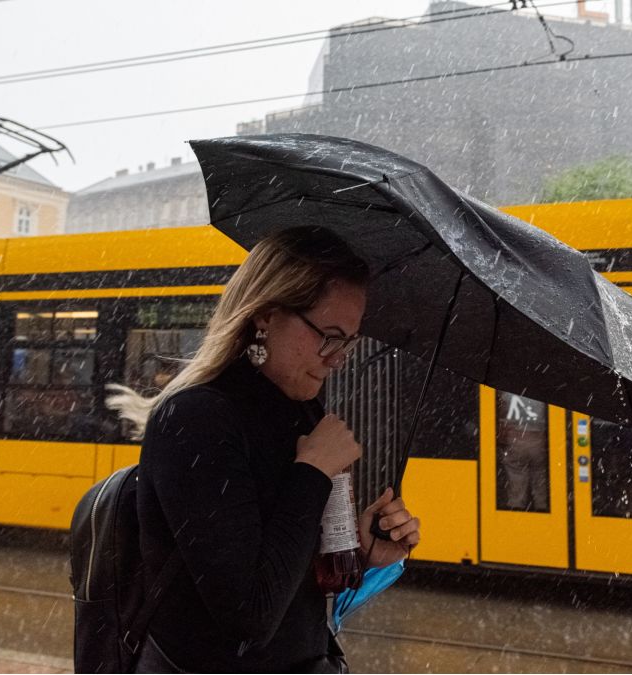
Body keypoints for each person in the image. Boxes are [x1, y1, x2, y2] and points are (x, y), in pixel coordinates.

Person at [106, 226, 421, 673]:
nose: (337, 358)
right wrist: (311, 471)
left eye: (349, 341)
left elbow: (299, 590)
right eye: (328, 335)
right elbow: (250, 616)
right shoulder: (196, 417)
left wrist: (367, 557)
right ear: (266, 315)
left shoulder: (302, 413)